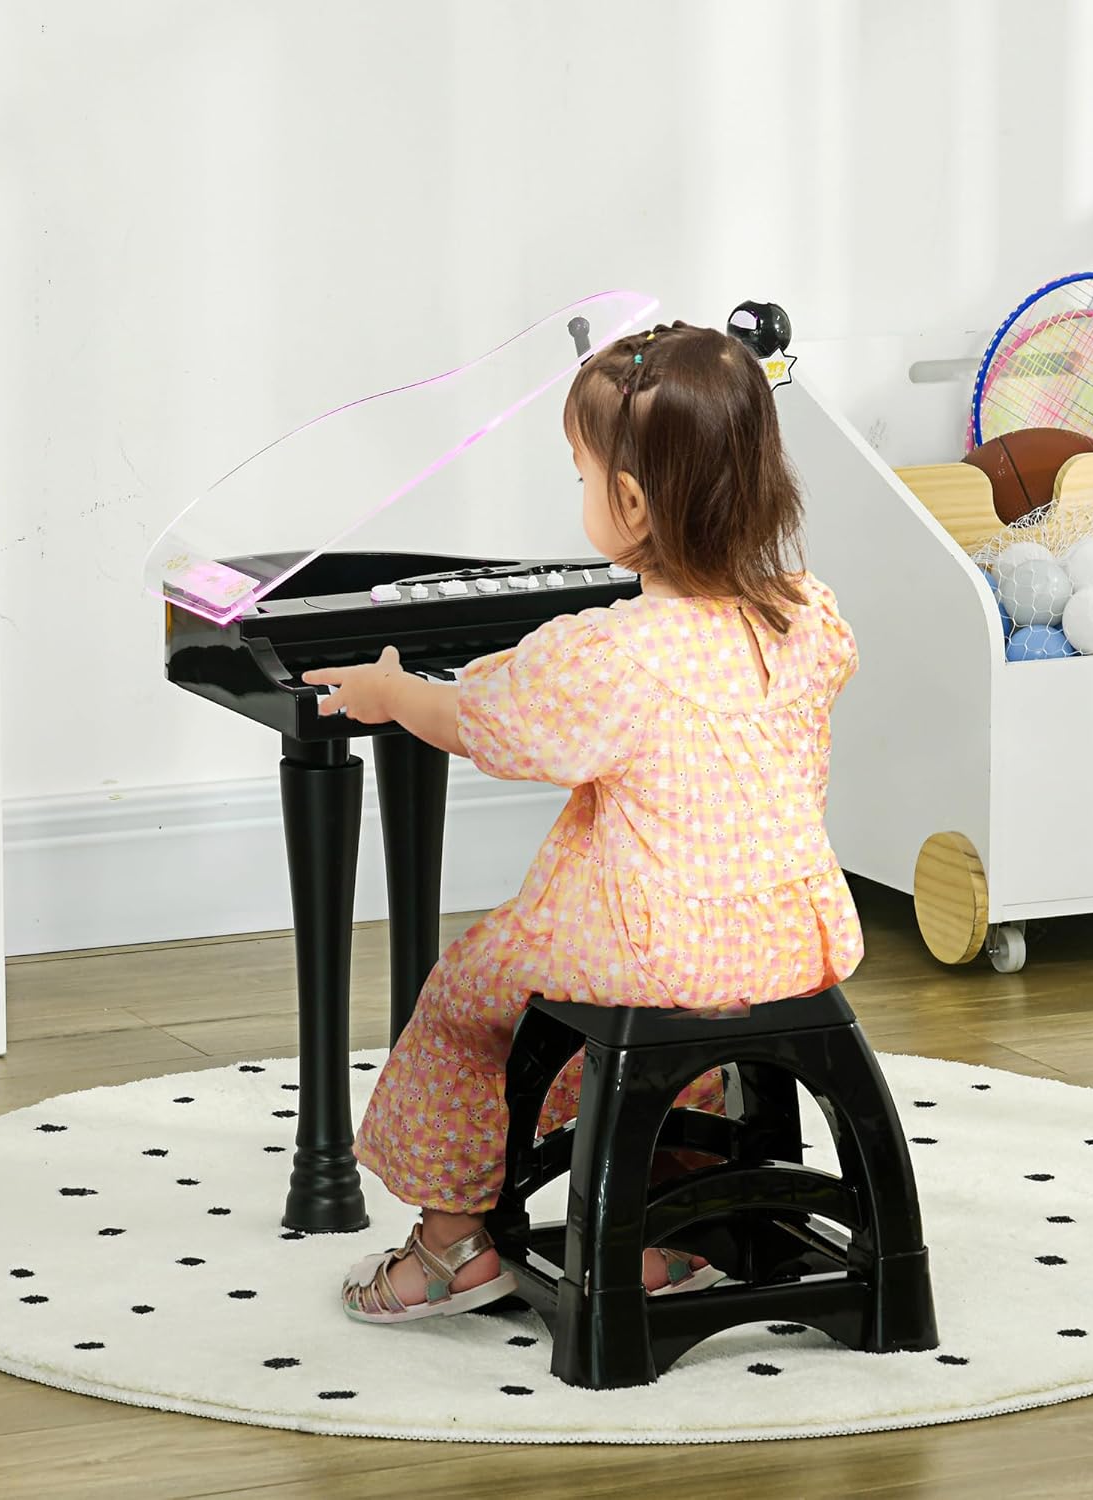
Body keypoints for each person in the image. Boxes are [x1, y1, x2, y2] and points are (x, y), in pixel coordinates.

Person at [303, 320, 863, 1324]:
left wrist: (395, 694)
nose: (579, 492)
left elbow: (491, 724)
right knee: (675, 1026)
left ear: (632, 501)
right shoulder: (808, 613)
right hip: (792, 938)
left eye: (580, 474)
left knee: (469, 1000)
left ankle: (450, 1246)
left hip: (653, 950)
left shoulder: (614, 653)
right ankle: (662, 1221)